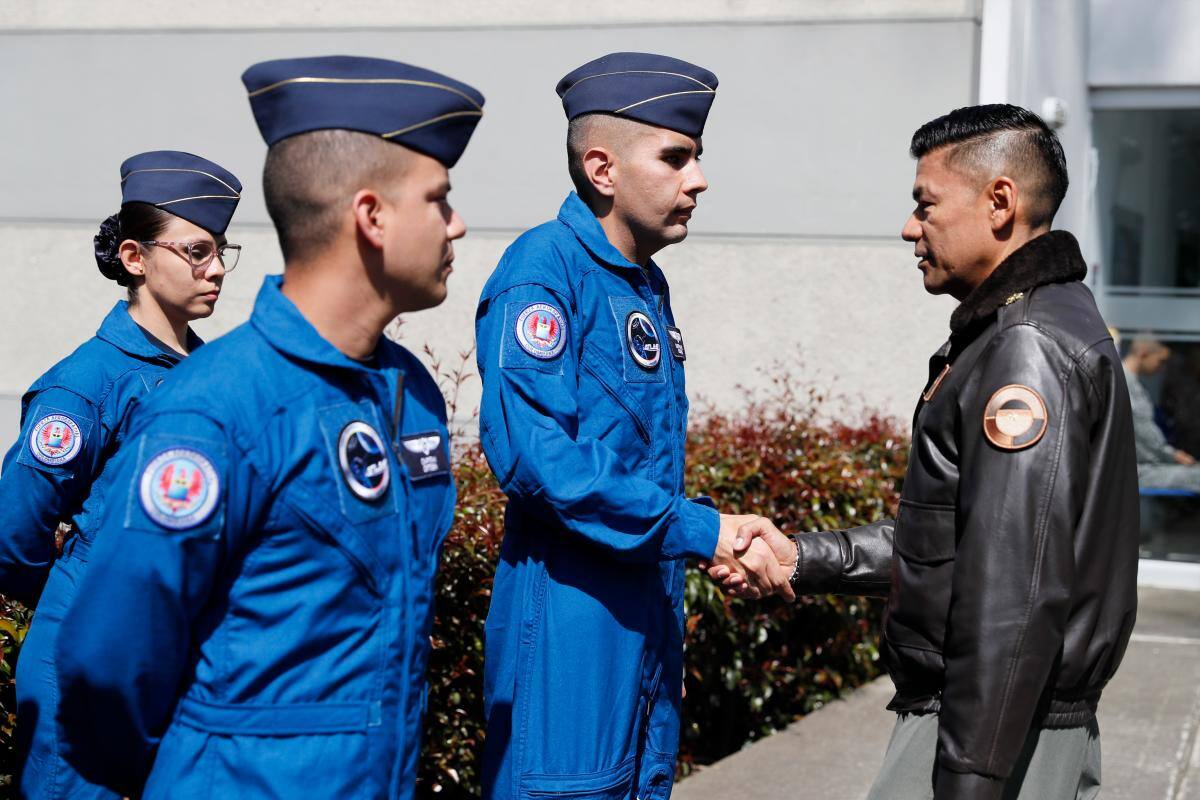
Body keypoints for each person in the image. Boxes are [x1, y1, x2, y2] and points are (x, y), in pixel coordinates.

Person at [53, 55, 484, 799]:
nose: (458, 223)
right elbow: (108, 664)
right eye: (438, 199)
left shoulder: (409, 392)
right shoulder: (217, 409)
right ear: (372, 216)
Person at [721, 104, 1140, 800]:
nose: (910, 227)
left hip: (991, 730)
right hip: (1004, 724)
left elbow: (1012, 594)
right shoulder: (1021, 328)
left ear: (999, 202)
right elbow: (958, 539)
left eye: (926, 204)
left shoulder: (1026, 347)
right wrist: (800, 557)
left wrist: (970, 778)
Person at [475, 52, 791, 800]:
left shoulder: (644, 282)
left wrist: (704, 536)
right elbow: (541, 460)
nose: (698, 179)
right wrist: (702, 532)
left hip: (642, 619)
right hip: (569, 630)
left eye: (697, 157)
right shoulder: (543, 270)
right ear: (602, 169)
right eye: (676, 158)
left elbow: (635, 462)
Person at [0, 150, 241, 799]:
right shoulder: (87, 384)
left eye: (221, 251)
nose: (216, 268)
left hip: (170, 662)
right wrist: (83, 593)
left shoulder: (213, 374)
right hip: (85, 664)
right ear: (135, 257)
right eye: (196, 251)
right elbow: (14, 532)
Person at [1122, 336, 1200, 491]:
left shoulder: (1129, 382)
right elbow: (1145, 433)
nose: (1162, 368)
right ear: (1144, 354)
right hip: (1136, 470)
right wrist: (1173, 455)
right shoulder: (1125, 384)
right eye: (1161, 361)